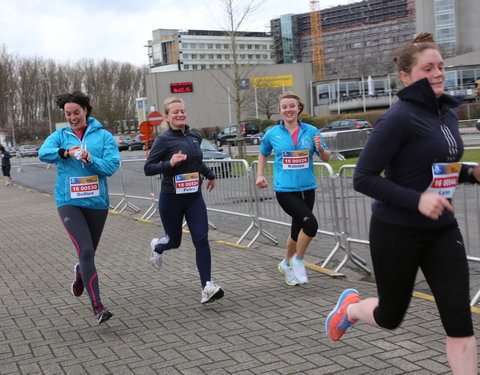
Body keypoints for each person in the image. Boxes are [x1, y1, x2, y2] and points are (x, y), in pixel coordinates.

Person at [325, 33, 479, 374]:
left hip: (442, 230)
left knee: (459, 322)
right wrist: (417, 200)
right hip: (396, 231)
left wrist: (471, 172)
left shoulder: (448, 115)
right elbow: (363, 177)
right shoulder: (398, 118)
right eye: (429, 68)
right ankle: (350, 309)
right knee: (390, 317)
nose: (439, 73)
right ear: (406, 76)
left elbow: (438, 169)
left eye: (441, 66)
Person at [39, 91, 120, 324]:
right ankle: (97, 305)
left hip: (97, 203)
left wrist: (90, 158)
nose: (73, 117)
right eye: (68, 114)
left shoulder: (103, 136)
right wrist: (66, 152)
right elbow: (43, 153)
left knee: (89, 253)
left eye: (76, 112)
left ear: (86, 110)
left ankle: (80, 272)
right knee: (85, 250)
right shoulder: (60, 135)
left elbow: (111, 166)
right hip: (69, 202)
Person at [144, 97, 224, 304]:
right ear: (167, 117)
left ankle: (207, 286)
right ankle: (158, 247)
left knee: (201, 239)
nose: (180, 114)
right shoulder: (163, 140)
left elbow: (197, 162)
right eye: (175, 112)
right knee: (174, 241)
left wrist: (210, 175)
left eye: (182, 111)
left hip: (193, 197)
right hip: (171, 198)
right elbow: (148, 168)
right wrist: (169, 163)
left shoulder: (195, 136)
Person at [256, 91, 330, 286]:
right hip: (285, 190)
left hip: (308, 188)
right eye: (284, 107)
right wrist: (260, 175)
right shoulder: (273, 134)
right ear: (280, 111)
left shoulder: (312, 131)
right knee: (311, 225)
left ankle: (286, 264)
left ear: (299, 108)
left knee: (297, 231)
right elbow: (263, 154)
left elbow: (327, 157)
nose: (288, 109)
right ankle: (298, 260)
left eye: (292, 106)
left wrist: (320, 149)